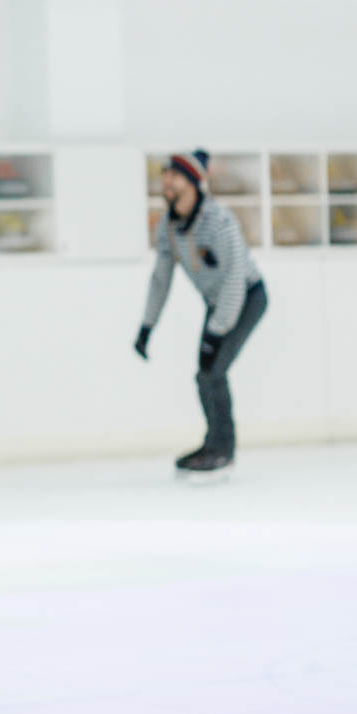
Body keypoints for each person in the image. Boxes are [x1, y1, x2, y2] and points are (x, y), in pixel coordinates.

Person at [134, 149, 268, 474]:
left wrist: (217, 330)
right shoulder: (168, 227)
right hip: (217, 303)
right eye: (165, 175)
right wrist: (147, 327)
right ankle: (214, 443)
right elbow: (160, 279)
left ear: (193, 183)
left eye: (175, 175)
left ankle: (223, 448)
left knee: (212, 371)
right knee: (204, 374)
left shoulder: (219, 221)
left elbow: (236, 277)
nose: (167, 181)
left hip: (246, 298)